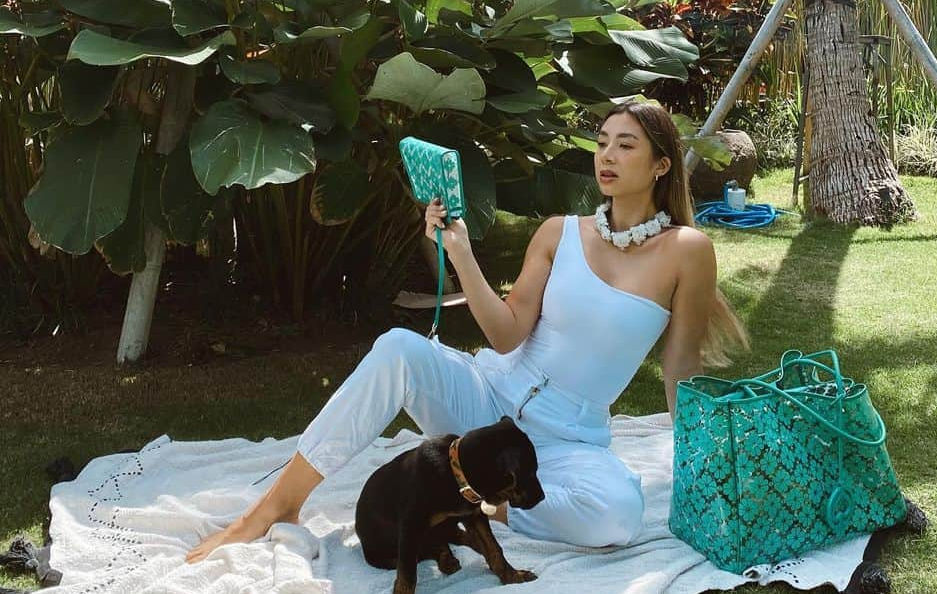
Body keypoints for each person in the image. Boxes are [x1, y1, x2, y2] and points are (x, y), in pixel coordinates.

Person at [186, 101, 748, 563]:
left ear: (660, 166)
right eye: (602, 141)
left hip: (567, 441)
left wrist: (703, 468)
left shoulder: (687, 253)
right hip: (486, 407)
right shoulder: (559, 233)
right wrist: (461, 254)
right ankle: (275, 508)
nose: (607, 155)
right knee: (398, 349)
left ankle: (482, 499)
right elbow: (506, 335)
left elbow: (681, 370)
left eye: (626, 145)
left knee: (618, 515)